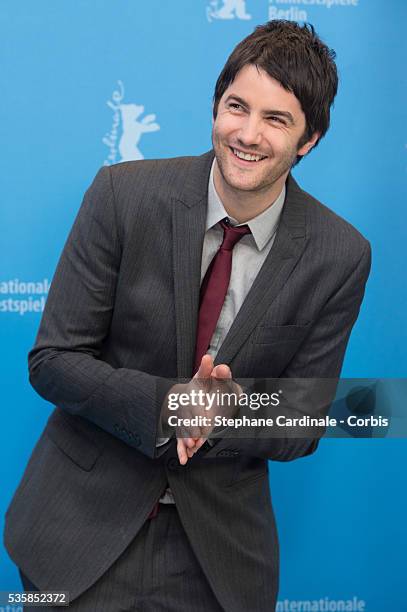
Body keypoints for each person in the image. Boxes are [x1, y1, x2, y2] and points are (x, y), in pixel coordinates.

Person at [4, 20, 371, 612]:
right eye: (237, 107)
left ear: (310, 140)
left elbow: (303, 419)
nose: (247, 134)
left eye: (276, 119)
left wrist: (224, 408)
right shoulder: (123, 195)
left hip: (216, 560)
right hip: (76, 534)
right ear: (216, 105)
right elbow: (53, 361)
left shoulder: (339, 254)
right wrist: (176, 404)